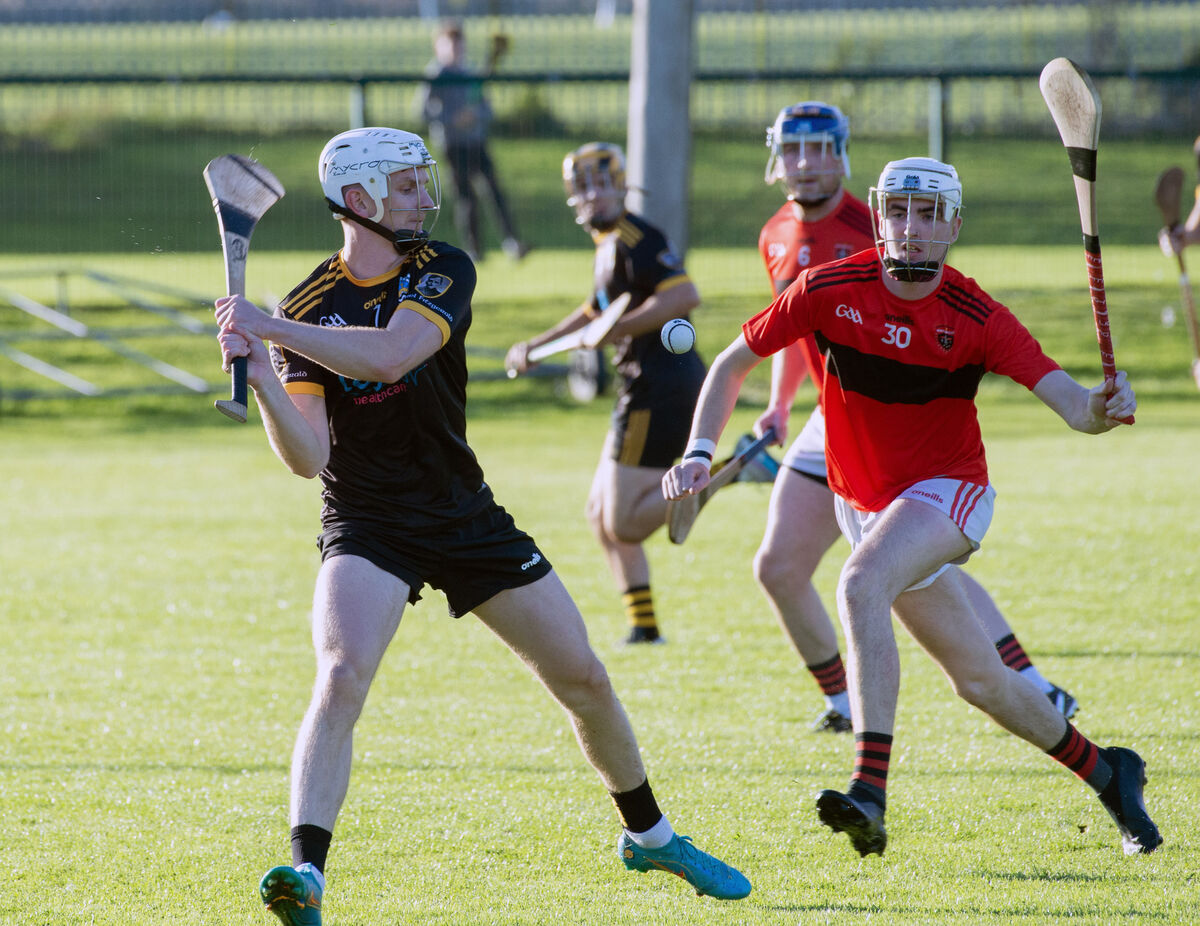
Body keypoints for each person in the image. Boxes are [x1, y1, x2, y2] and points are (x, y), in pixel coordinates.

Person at [214, 126, 751, 925]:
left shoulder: (442, 270)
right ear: (357, 199)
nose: (422, 197)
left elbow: (394, 354)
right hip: (366, 518)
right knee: (339, 674)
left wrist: (272, 331)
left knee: (585, 680)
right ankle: (306, 873)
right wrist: (261, 375)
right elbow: (308, 454)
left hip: (463, 513)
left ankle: (651, 835)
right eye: (404, 186)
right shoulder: (304, 305)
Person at [663, 155, 1161, 859]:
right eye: (899, 209)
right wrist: (695, 453)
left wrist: (1105, 406)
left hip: (949, 492)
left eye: (930, 214)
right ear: (879, 213)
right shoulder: (829, 289)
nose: (913, 226)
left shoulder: (978, 315)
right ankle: (1112, 774)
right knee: (983, 682)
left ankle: (869, 790)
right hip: (865, 505)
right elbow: (730, 363)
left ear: (954, 224)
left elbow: (1076, 408)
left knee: (859, 582)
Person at [750, 102, 1079, 733]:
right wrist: (778, 403)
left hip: (900, 421)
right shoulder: (774, 233)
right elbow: (794, 332)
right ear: (778, 156)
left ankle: (1031, 686)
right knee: (780, 566)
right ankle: (844, 702)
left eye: (822, 148)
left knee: (911, 565)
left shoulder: (867, 223)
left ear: (842, 156)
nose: (807, 162)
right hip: (835, 416)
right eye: (796, 149)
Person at [506, 142, 705, 645]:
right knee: (599, 514)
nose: (593, 195)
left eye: (602, 183)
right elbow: (596, 312)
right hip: (638, 383)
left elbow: (684, 296)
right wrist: (536, 346)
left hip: (658, 386)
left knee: (624, 521)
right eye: (583, 187)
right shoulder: (608, 244)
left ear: (622, 185)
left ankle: (722, 473)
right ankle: (644, 627)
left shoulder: (638, 236)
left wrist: (622, 330)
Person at [418, 18, 528, 263]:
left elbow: (487, 109)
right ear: (439, 47)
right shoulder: (436, 74)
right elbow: (424, 111)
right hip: (453, 145)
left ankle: (512, 242)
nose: (456, 50)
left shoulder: (470, 74)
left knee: (495, 192)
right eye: (451, 46)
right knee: (466, 198)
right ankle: (474, 249)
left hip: (476, 142)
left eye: (459, 45)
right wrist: (452, 119)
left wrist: (474, 115)